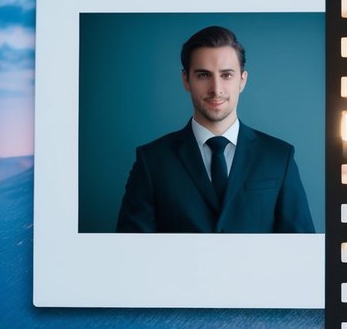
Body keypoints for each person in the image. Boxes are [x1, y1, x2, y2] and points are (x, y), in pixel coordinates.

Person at [116, 25, 314, 233]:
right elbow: (131, 249)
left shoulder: (279, 157)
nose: (216, 89)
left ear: (242, 80)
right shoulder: (151, 161)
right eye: (203, 75)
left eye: (226, 75)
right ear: (186, 80)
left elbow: (302, 247)